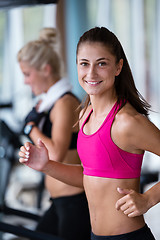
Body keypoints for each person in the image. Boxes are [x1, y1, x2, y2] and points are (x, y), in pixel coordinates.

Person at [18, 26, 160, 240]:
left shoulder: (127, 122)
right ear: (76, 66)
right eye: (84, 64)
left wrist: (148, 199)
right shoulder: (85, 115)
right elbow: (89, 176)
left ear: (118, 66)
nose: (91, 73)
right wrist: (46, 165)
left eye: (101, 64)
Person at [17, 27, 91, 240]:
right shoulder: (50, 103)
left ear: (46, 69)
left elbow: (56, 153)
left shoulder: (64, 103)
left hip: (74, 202)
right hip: (60, 201)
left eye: (27, 74)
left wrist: (31, 128)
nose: (25, 81)